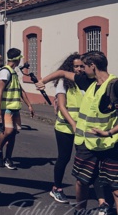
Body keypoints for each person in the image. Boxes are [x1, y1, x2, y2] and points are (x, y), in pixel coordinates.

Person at [37, 51, 118, 214]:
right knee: (82, 181)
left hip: (109, 143)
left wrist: (109, 132)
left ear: (92, 66)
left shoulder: (114, 85)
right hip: (86, 143)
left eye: (85, 66)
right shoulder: (87, 82)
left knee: (115, 186)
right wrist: (42, 81)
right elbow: (62, 73)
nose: (81, 70)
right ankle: (80, 210)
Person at [48, 53, 85, 203]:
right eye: (76, 66)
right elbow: (62, 107)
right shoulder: (64, 82)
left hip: (82, 128)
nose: (79, 69)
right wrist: (73, 124)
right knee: (64, 158)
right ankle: (56, 188)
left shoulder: (86, 82)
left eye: (82, 66)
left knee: (84, 159)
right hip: (65, 127)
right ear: (70, 67)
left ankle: (84, 187)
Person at [0, 48, 35, 170]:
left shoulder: (14, 72)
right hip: (6, 108)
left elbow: (21, 91)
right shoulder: (5, 72)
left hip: (15, 108)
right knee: (8, 131)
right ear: (16, 59)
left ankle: (8, 158)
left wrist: (29, 105)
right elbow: (0, 90)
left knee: (13, 135)